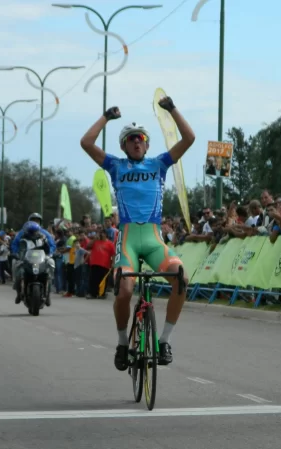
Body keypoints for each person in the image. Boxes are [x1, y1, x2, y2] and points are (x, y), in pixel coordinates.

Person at [79, 96, 195, 370]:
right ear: (123, 145)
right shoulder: (115, 166)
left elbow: (189, 138)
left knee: (181, 278)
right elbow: (86, 143)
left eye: (140, 137)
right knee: (124, 290)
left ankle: (164, 340)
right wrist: (106, 117)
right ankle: (122, 343)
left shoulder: (159, 164)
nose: (136, 141)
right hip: (128, 240)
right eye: (131, 138)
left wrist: (172, 109)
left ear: (147, 143)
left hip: (155, 240)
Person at [10, 213, 56, 306]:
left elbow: (52, 245)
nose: (35, 222)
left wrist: (50, 253)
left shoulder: (44, 234)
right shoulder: (22, 234)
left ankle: (48, 293)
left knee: (51, 262)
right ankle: (18, 291)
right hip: (26, 258)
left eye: (37, 220)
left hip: (42, 257)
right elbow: (15, 244)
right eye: (33, 220)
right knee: (15, 262)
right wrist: (16, 253)